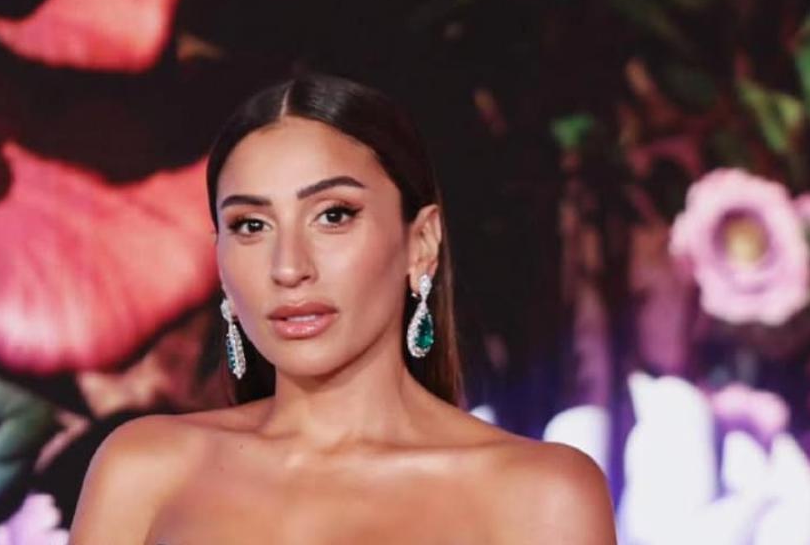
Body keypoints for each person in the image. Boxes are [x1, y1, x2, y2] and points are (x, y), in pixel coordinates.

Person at [68, 73, 616, 544]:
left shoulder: (538, 493)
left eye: (333, 215)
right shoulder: (145, 467)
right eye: (251, 225)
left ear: (421, 241)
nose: (289, 267)